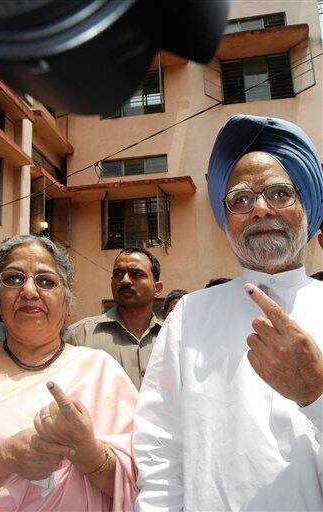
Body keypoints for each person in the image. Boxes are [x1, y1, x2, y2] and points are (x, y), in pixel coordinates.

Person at [134, 114, 323, 511]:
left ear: (307, 204)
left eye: (278, 193)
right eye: (240, 199)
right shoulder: (189, 315)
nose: (259, 209)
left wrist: (316, 393)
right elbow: (160, 449)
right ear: (226, 222)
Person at [0, 235, 138, 511]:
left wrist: (87, 451)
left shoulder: (100, 371)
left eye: (46, 281)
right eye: (14, 279)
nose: (29, 291)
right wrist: (3, 455)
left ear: (68, 305)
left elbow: (145, 483)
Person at [65, 247, 163, 389]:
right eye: (118, 273)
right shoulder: (80, 336)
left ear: (157, 289)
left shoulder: (171, 338)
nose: (125, 280)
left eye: (136, 274)